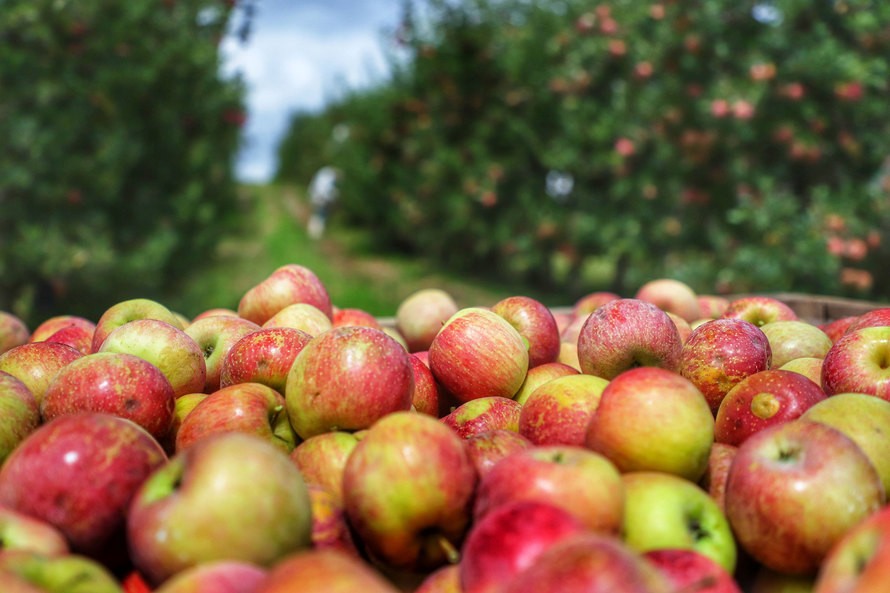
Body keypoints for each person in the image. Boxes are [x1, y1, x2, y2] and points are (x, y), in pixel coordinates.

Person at [306, 166, 340, 239]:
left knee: (318, 214)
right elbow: (325, 190)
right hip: (320, 197)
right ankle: (314, 233)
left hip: (318, 196)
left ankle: (313, 232)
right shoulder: (328, 177)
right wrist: (332, 196)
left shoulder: (324, 173)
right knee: (320, 214)